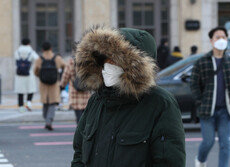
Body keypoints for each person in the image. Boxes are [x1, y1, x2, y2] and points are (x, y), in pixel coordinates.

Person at [71, 27, 185, 167]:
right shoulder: (97, 100)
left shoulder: (160, 103)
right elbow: (79, 152)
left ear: (134, 67)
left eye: (114, 61)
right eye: (104, 60)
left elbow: (169, 161)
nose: (107, 66)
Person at [190, 27, 230, 167]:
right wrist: (200, 101)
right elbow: (194, 84)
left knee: (225, 143)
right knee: (208, 141)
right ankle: (200, 160)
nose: (221, 40)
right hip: (207, 110)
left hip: (226, 110)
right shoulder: (202, 62)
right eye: (218, 37)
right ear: (212, 41)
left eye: (224, 37)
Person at [34, 42, 65, 131]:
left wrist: (40, 75)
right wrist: (60, 75)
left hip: (43, 84)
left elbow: (35, 71)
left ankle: (46, 120)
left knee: (45, 103)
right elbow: (65, 66)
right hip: (54, 84)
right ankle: (49, 121)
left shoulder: (39, 59)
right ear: (51, 48)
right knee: (52, 103)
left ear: (42, 49)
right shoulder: (57, 58)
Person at [60, 58, 91, 124]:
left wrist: (62, 85)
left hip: (75, 94)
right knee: (85, 115)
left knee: (78, 115)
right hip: (85, 93)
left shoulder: (71, 61)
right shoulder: (87, 60)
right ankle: (84, 130)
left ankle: (80, 130)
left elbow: (65, 75)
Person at [14, 38, 39, 113]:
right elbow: (37, 59)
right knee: (30, 89)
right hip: (29, 73)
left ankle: (21, 106)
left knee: (20, 90)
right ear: (28, 43)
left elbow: (16, 58)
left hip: (19, 74)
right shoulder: (31, 51)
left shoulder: (17, 51)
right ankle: (28, 103)